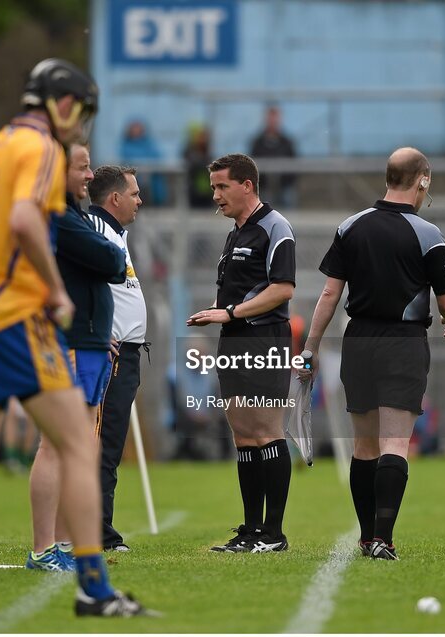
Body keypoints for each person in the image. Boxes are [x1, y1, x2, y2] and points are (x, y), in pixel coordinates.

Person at [0, 58, 149, 618]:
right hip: (18, 321)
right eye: (82, 114)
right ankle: (94, 590)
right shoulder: (43, 151)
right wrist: (52, 291)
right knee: (78, 445)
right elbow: (28, 223)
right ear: (63, 104)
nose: (80, 128)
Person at [299, 147, 445, 561]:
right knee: (395, 442)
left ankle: (365, 535)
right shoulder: (428, 233)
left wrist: (311, 347)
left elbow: (329, 294)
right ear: (422, 180)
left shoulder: (351, 226)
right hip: (402, 343)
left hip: (358, 341)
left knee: (364, 446)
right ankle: (382, 540)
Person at [186, 153, 296, 554]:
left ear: (247, 185)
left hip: (264, 340)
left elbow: (283, 288)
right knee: (244, 435)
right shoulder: (236, 232)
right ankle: (250, 530)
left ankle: (274, 533)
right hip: (232, 340)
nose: (216, 195)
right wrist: (220, 315)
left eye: (222, 186)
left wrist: (230, 312)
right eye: (213, 187)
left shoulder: (275, 226)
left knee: (267, 430)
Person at [25, 143, 126, 572]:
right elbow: (112, 258)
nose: (89, 175)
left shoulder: (76, 216)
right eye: (81, 167)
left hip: (88, 344)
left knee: (79, 447)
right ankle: (43, 549)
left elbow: (109, 264)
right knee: (55, 445)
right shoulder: (56, 217)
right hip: (66, 344)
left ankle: (65, 546)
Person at [86, 165, 148, 552]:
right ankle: (98, 534)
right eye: (135, 193)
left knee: (108, 446)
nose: (140, 200)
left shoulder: (114, 235)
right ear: (115, 198)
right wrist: (96, 327)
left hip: (126, 354)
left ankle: (96, 530)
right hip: (109, 355)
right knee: (102, 446)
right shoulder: (95, 231)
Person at [249, 105, 298, 208]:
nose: (273, 121)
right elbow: (251, 165)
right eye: (270, 118)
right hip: (264, 185)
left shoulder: (287, 142)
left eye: (275, 118)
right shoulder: (257, 142)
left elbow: (294, 165)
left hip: (284, 184)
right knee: (263, 200)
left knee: (288, 196)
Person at [120, 119, 167, 206]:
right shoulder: (126, 145)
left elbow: (156, 157)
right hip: (135, 179)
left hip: (150, 181)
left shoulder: (149, 143)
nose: (136, 131)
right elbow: (126, 160)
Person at [183, 123, 214, 208]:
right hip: (194, 191)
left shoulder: (208, 153)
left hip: (207, 192)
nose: (202, 139)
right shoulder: (189, 152)